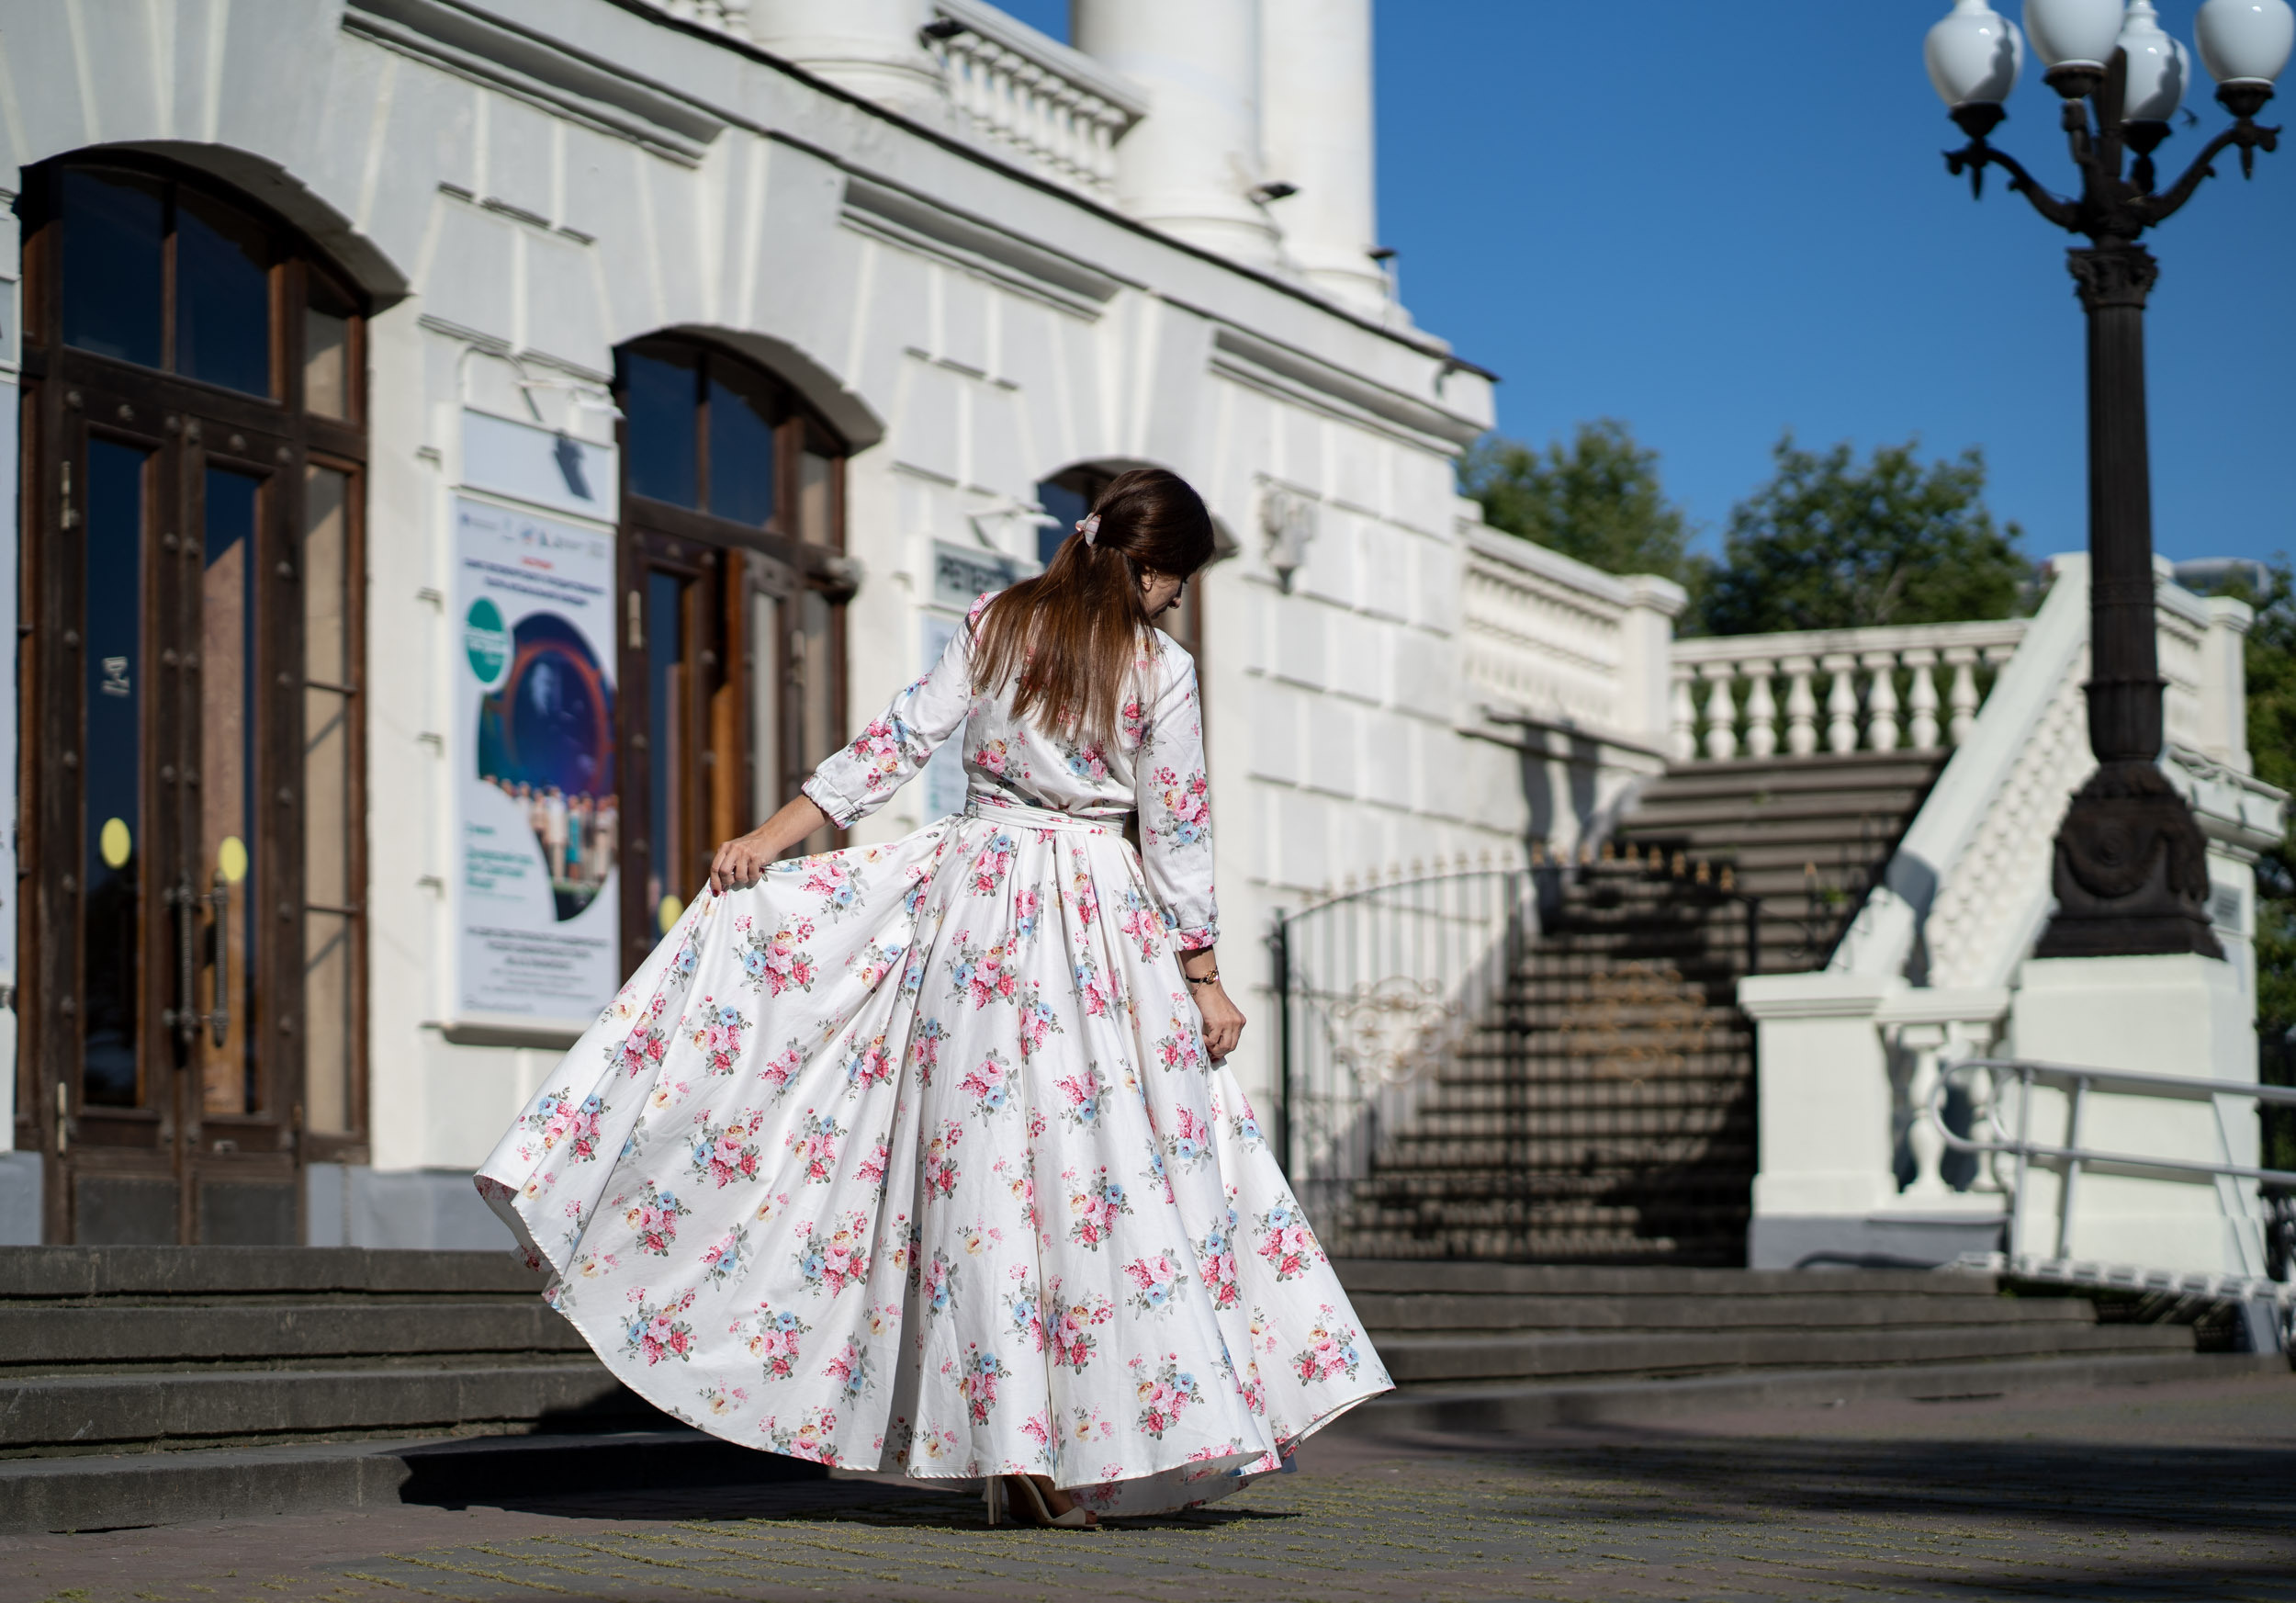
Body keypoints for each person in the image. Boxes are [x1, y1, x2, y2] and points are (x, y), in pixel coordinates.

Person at [476, 468, 1388, 1529]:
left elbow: (897, 741)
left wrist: (770, 837)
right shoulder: (1158, 667)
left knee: (984, 1175)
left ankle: (1012, 1442)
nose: (1176, 601)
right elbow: (1177, 827)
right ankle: (1076, 1441)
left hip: (976, 913)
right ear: (1146, 566)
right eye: (1175, 580)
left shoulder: (999, 622)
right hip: (1098, 923)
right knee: (1105, 1171)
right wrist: (1203, 977)